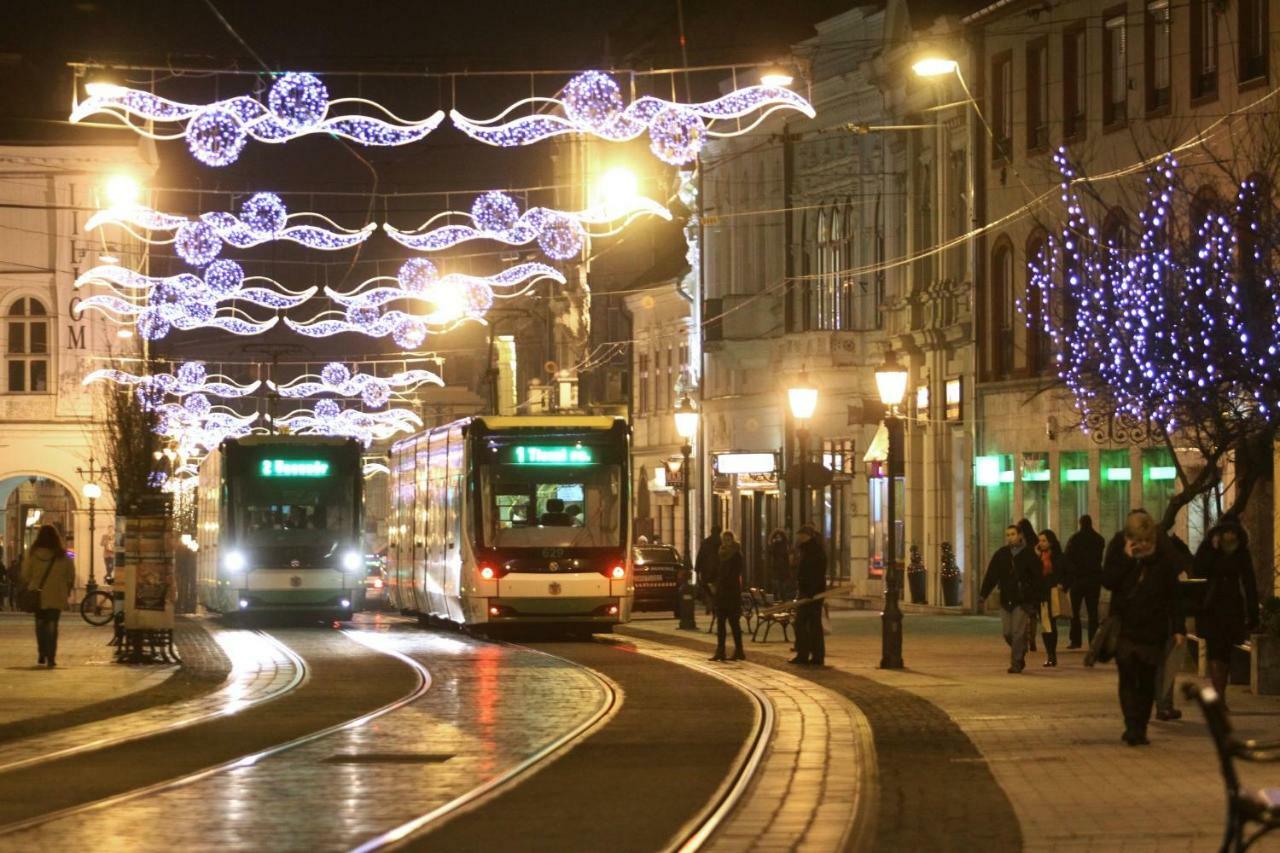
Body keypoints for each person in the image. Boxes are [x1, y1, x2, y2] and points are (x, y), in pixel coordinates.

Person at [1103, 512, 1186, 746]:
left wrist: (1178, 627)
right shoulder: (1119, 552)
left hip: (1153, 629)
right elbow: (1108, 581)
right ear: (1128, 538)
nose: (1144, 545)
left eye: (1148, 540)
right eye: (1138, 540)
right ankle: (1132, 725)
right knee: (1128, 678)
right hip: (1125, 628)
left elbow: (1174, 595)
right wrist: (1129, 559)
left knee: (1148, 681)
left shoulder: (1163, 557)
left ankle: (1141, 726)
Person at [1193, 520, 1260, 708]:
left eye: (1233, 533)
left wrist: (1253, 612)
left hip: (1231, 606)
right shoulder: (1209, 548)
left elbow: (1249, 581)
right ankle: (1219, 696)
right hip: (1211, 605)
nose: (1230, 536)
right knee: (1215, 650)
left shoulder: (1241, 552)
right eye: (1227, 532)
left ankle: (1219, 694)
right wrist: (1213, 550)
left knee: (1225, 652)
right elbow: (1197, 570)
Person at [980, 525, 1041, 673]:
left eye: (1013, 534)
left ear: (1020, 535)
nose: (1010, 537)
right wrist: (983, 594)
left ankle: (1016, 663)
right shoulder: (1002, 554)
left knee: (1018, 632)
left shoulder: (1028, 554)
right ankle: (1021, 647)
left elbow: (1037, 577)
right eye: (1008, 534)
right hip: (1006, 598)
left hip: (1022, 600)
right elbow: (991, 575)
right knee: (1007, 633)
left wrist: (1035, 597)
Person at [20, 525, 76, 669]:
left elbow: (25, 574)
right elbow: (70, 575)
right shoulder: (63, 556)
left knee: (40, 624)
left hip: (38, 594)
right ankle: (51, 657)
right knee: (52, 625)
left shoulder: (32, 554)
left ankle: (42, 653)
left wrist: (33, 581)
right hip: (56, 594)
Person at [1065, 515, 1105, 648]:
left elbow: (1068, 557)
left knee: (1075, 612)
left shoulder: (1074, 539)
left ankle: (1075, 640)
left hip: (1077, 579)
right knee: (1093, 612)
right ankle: (1093, 640)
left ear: (1080, 523)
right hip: (1094, 579)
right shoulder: (1099, 539)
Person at [789, 525, 827, 665]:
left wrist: (811, 591)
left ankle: (812, 655)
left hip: (812, 593)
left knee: (808, 624)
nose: (799, 538)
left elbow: (817, 573)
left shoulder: (815, 551)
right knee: (807, 624)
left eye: (801, 536)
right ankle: (808, 654)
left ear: (808, 536)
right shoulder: (805, 550)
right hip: (807, 592)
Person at [1035, 530, 1071, 667]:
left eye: (1044, 540)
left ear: (1051, 541)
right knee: (1046, 625)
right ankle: (1050, 654)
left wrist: (1064, 584)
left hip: (1054, 594)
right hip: (1041, 595)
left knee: (1050, 625)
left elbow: (1071, 573)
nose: (1041, 543)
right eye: (1040, 541)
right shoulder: (1038, 557)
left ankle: (1051, 654)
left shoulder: (1060, 557)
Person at [709, 531, 746, 661]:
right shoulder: (720, 553)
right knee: (720, 623)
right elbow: (717, 571)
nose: (726, 541)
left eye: (729, 539)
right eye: (724, 539)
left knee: (734, 623)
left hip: (731, 593)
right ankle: (720, 651)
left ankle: (739, 650)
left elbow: (735, 573)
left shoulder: (736, 555)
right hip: (721, 593)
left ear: (733, 540)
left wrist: (723, 582)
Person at [694, 526, 722, 614]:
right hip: (718, 571)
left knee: (707, 589)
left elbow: (700, 556)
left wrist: (697, 569)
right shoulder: (722, 542)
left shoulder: (705, 542)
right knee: (717, 589)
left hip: (706, 571)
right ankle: (714, 605)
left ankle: (709, 605)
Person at [766, 529, 792, 601]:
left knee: (781, 586)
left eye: (779, 537)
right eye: (777, 537)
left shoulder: (784, 545)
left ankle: (782, 599)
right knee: (777, 585)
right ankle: (778, 599)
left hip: (782, 568)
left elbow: (786, 558)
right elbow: (770, 552)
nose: (778, 539)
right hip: (776, 568)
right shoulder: (775, 545)